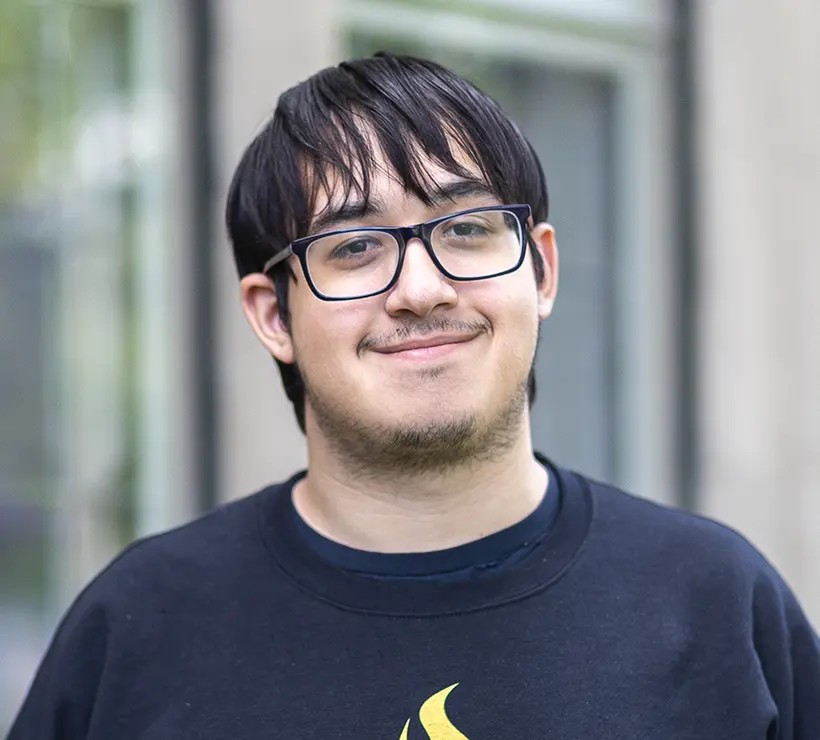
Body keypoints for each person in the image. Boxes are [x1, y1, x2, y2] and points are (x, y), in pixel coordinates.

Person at [8, 52, 820, 740]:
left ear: (540, 271)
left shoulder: (715, 606)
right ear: (273, 315)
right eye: (355, 246)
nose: (422, 289)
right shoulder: (141, 627)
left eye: (466, 228)